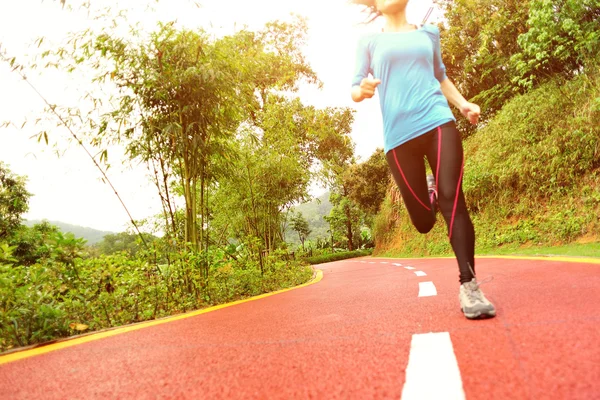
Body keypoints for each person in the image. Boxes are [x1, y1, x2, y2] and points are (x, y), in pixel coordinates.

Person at [350, 0, 495, 319]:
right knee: (423, 221)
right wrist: (362, 89)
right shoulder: (370, 42)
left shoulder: (429, 33)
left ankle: (469, 286)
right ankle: (427, 194)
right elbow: (354, 89)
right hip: (399, 138)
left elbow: (440, 77)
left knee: (453, 199)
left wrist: (463, 104)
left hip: (438, 122)